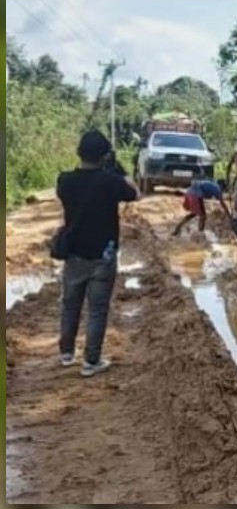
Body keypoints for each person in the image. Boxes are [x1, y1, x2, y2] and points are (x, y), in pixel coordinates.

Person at [56, 130, 139, 377]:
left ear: (79, 152)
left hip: (74, 254)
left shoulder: (65, 180)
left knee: (70, 305)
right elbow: (135, 193)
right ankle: (91, 361)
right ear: (105, 156)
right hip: (104, 254)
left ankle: (66, 353)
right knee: (97, 309)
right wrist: (120, 172)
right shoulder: (110, 182)